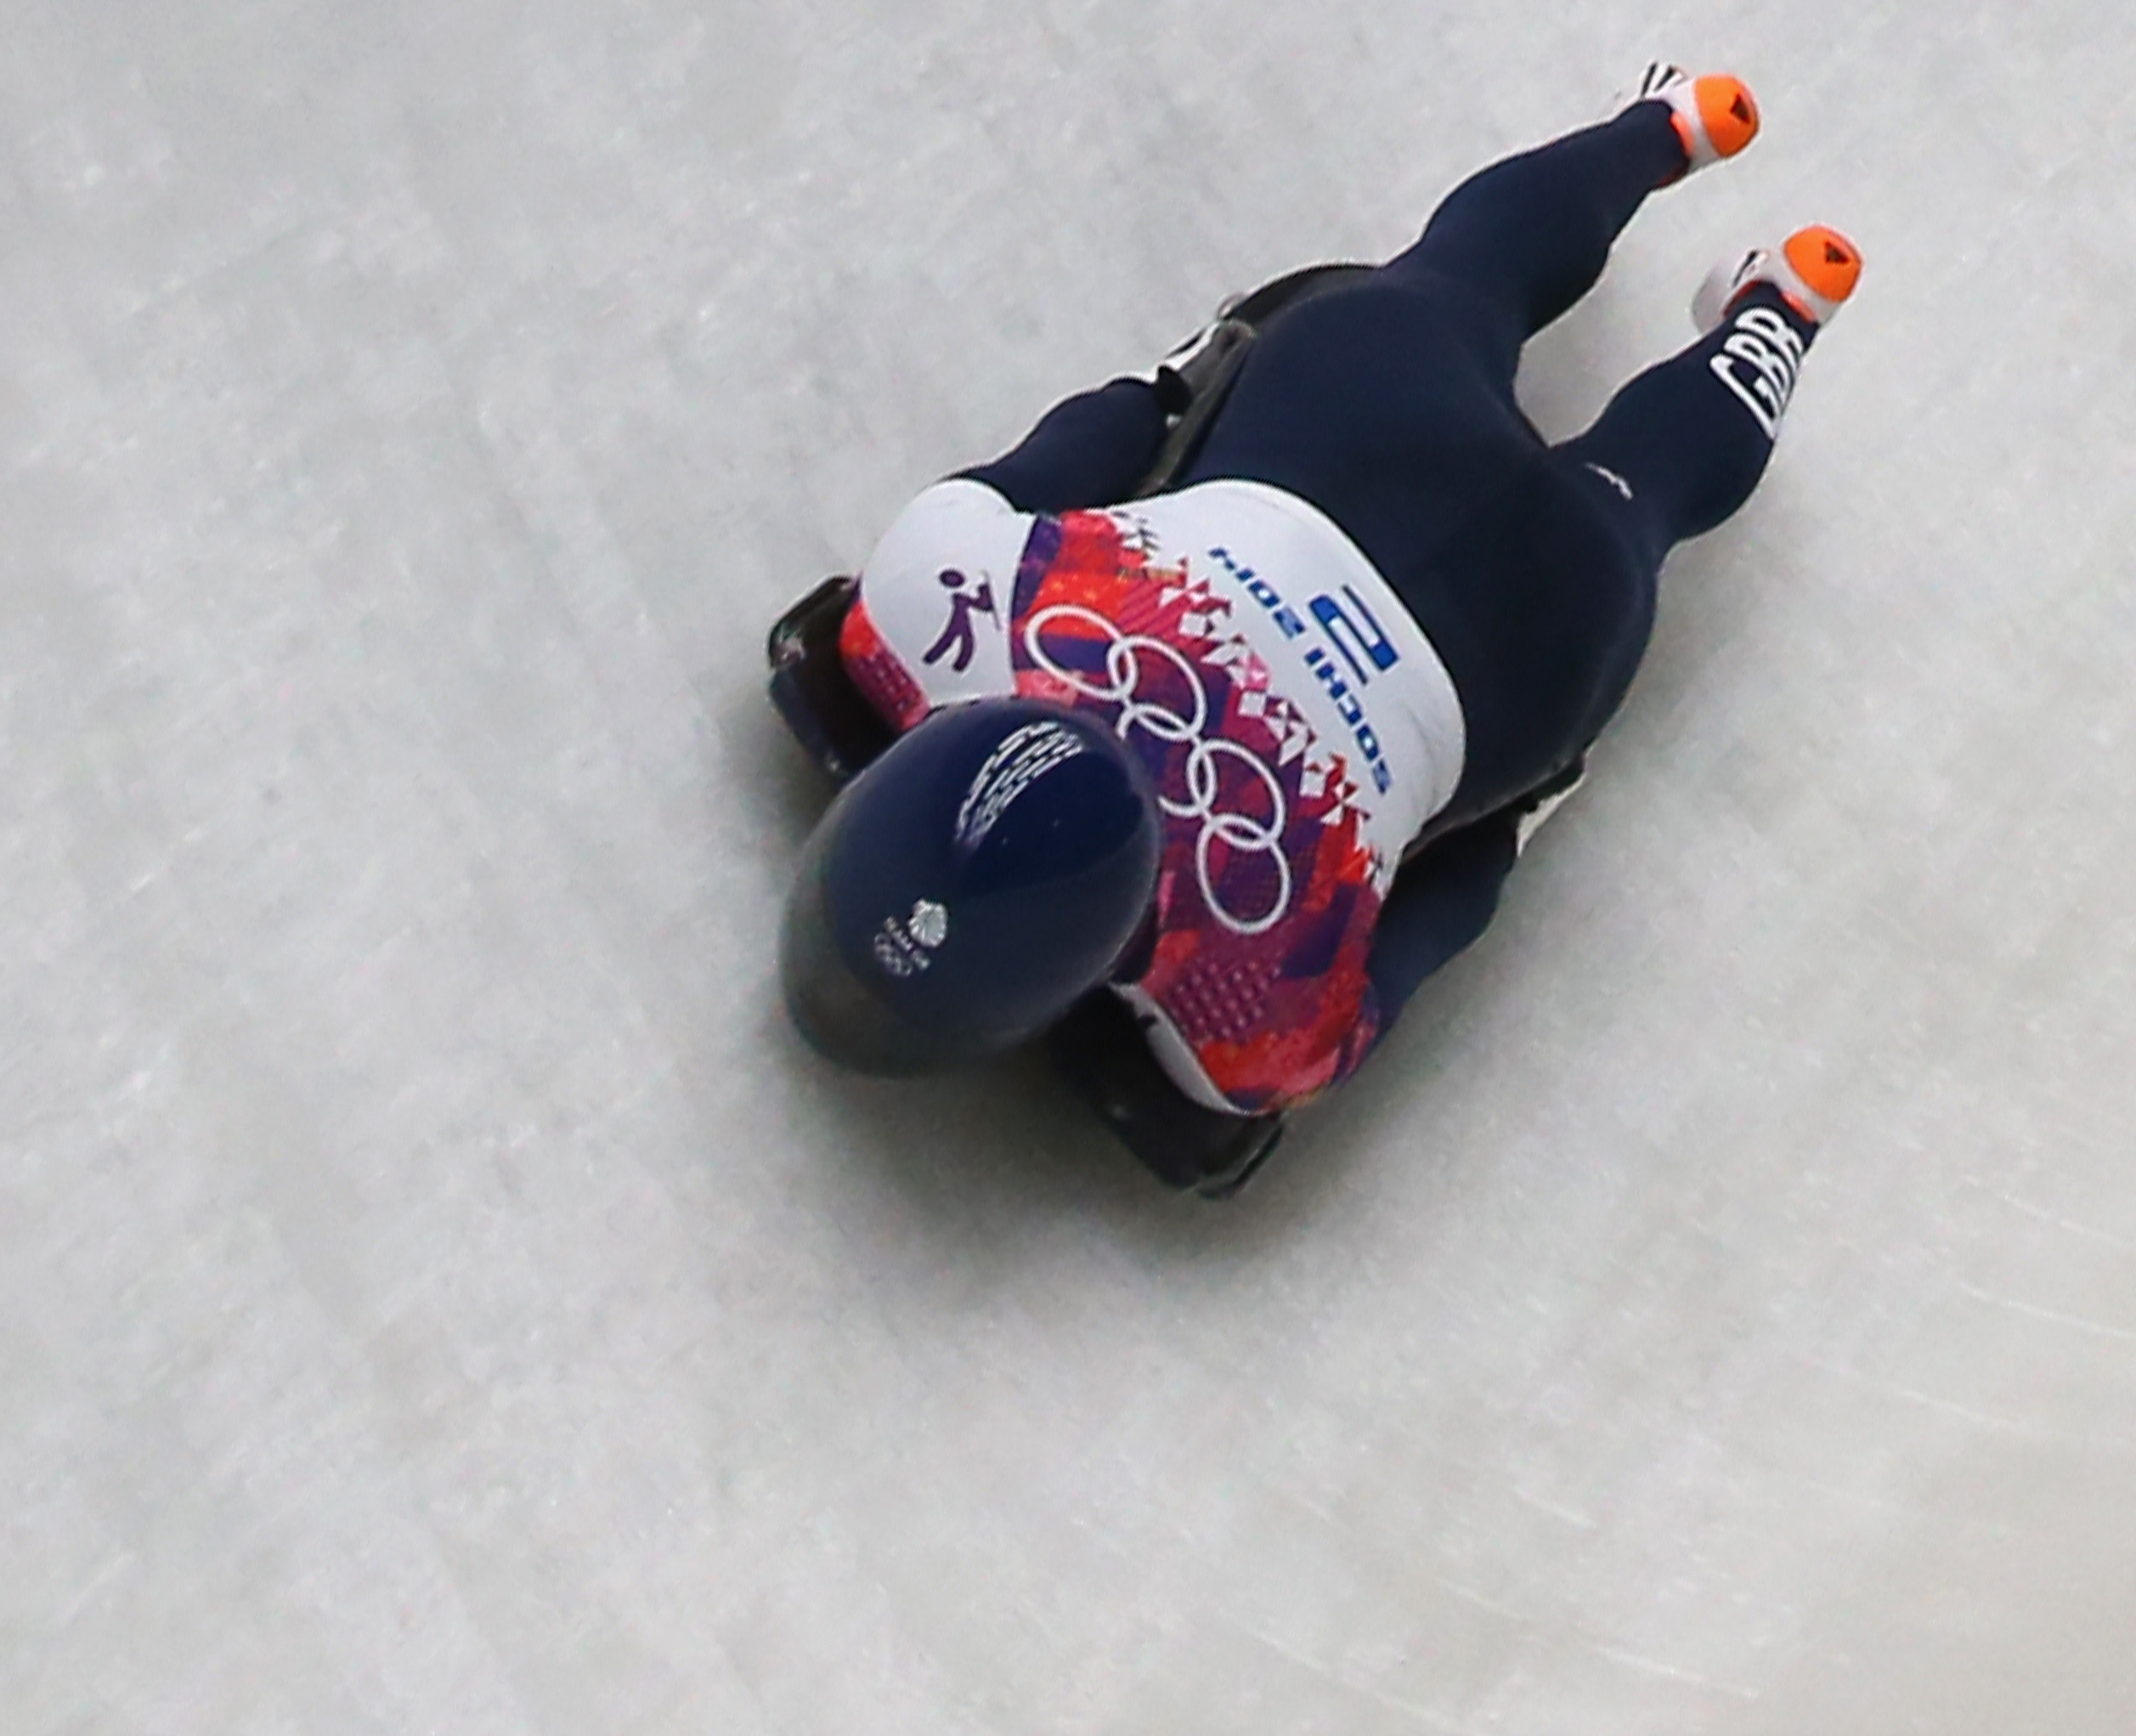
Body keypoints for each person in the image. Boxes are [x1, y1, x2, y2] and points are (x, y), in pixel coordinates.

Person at [775, 69, 1860, 1186]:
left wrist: (1519, 815)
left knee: (1636, 492)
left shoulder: (1247, 1027)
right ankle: (1682, 144)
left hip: (1522, 634)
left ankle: (1783, 310)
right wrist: (1179, 382)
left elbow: (1447, 913)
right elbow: (1084, 445)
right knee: (1469, 280)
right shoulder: (927, 612)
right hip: (1363, 432)